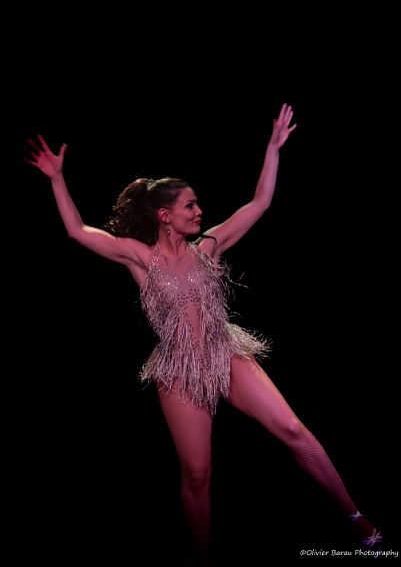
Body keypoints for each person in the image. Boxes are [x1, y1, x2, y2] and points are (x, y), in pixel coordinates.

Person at [24, 105, 382, 566]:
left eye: (197, 204)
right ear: (164, 215)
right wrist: (57, 178)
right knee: (197, 476)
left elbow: (259, 203)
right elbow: (77, 231)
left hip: (223, 351)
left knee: (294, 430)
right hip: (179, 367)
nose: (199, 211)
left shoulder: (210, 245)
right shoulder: (139, 257)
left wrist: (273, 148)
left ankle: (358, 521)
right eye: (190, 205)